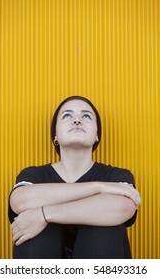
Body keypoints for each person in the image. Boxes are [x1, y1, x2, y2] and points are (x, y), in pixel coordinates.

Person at [8, 95, 141, 259]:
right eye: (67, 115)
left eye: (86, 116)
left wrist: (44, 215)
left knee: (103, 226)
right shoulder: (34, 174)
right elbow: (19, 201)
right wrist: (98, 188)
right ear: (55, 135)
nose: (77, 121)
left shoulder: (116, 175)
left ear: (97, 135)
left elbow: (123, 207)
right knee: (38, 231)